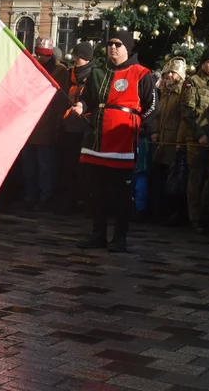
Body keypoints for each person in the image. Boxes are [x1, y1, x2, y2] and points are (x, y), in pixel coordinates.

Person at [74, 30, 156, 253]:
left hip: (122, 141)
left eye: (118, 44)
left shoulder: (141, 73)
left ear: (127, 48)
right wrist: (81, 105)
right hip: (96, 140)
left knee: (120, 193)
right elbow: (87, 98)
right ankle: (98, 235)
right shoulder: (98, 72)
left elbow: (151, 106)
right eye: (110, 43)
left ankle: (120, 237)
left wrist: (135, 125)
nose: (112, 47)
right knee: (95, 191)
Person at [20, 38, 67, 211]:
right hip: (29, 123)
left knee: (44, 164)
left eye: (44, 55)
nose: (40, 58)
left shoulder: (59, 71)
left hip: (46, 122)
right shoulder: (31, 68)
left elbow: (59, 98)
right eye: (38, 54)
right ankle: (30, 196)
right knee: (29, 164)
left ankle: (44, 197)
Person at [182, 46, 209, 234]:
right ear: (203, 63)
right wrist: (199, 134)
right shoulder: (192, 82)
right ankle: (195, 219)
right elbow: (187, 113)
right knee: (196, 179)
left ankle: (207, 215)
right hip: (197, 140)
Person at [55, 41, 96, 212]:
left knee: (85, 170)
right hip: (68, 128)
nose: (75, 60)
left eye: (78, 57)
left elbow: (95, 101)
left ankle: (85, 202)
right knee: (67, 167)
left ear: (86, 59)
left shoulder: (95, 75)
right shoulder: (69, 74)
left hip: (85, 129)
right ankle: (67, 201)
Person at [151, 57, 186, 224]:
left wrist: (179, 140)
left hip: (174, 141)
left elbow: (183, 118)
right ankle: (160, 211)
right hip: (162, 140)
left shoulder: (182, 93)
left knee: (175, 178)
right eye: (168, 72)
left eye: (174, 72)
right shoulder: (164, 92)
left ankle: (174, 214)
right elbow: (159, 115)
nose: (171, 75)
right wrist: (156, 131)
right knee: (160, 176)